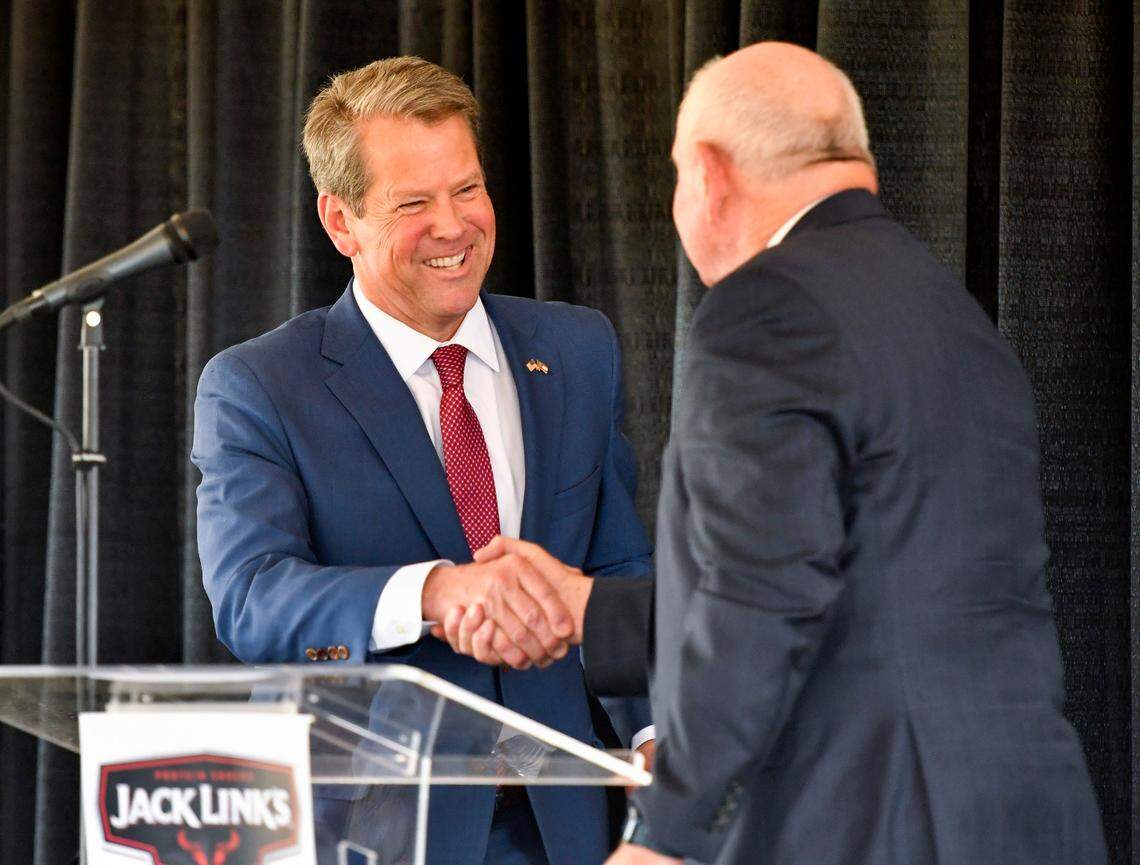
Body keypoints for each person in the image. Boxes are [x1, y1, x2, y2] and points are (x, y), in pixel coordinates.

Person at [435, 42, 1109, 865]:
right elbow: (859, 596)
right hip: (1027, 816)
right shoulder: (955, 317)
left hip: (868, 821)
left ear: (710, 175)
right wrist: (587, 609)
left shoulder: (763, 308)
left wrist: (663, 835)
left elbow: (760, 603)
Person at [191, 56, 654, 865]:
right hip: (373, 834)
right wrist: (435, 591)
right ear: (341, 223)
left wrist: (660, 732)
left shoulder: (577, 350)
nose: (454, 225)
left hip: (572, 825)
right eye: (414, 203)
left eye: (467, 189)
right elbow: (253, 597)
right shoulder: (260, 385)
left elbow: (621, 569)